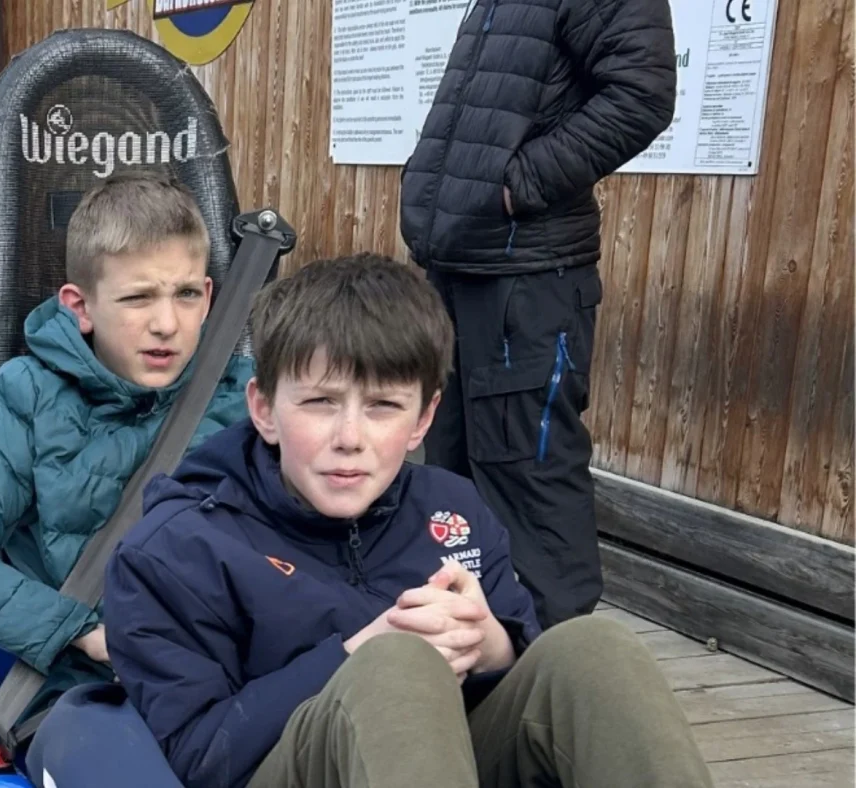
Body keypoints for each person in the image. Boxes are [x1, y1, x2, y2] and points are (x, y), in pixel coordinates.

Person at [102, 254, 715, 788]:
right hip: (277, 769)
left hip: (441, 762)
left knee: (594, 647)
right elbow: (199, 758)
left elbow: (523, 678)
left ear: (423, 420)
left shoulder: (454, 510)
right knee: (396, 666)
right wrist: (357, 653)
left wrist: (491, 646)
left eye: (383, 408)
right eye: (319, 402)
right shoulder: (175, 547)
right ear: (263, 408)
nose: (350, 439)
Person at [0, 173, 251, 733]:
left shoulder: (252, 404)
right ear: (80, 306)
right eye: (137, 297)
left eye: (184, 294)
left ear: (207, 298)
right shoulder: (29, 396)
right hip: (90, 696)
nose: (166, 323)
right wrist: (82, 632)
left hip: (235, 687)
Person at [398, 0, 677, 628]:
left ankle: (555, 663)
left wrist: (515, 186)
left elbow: (642, 95)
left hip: (527, 278)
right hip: (462, 269)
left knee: (529, 469)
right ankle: (478, 654)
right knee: (454, 470)